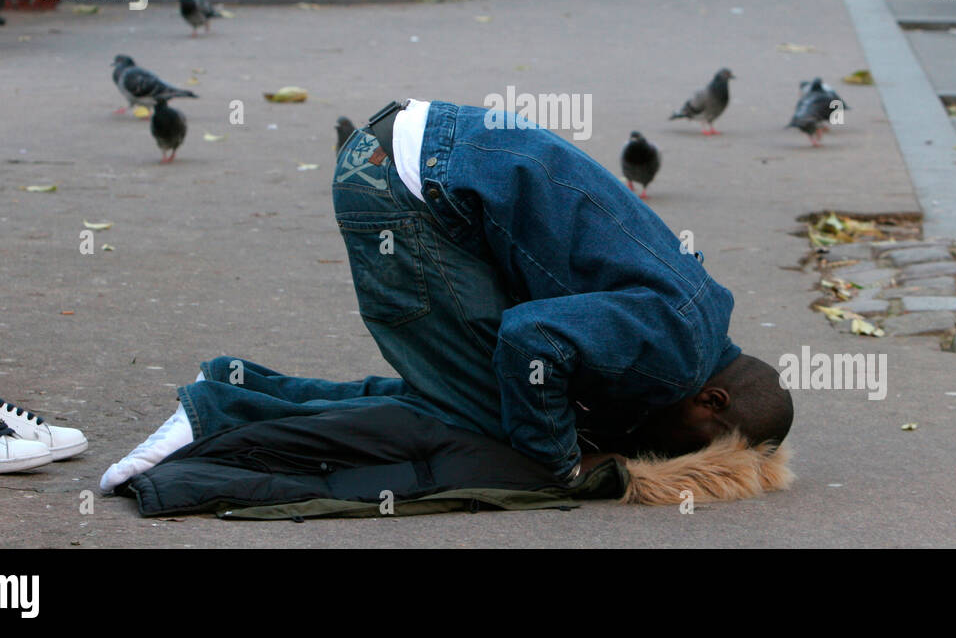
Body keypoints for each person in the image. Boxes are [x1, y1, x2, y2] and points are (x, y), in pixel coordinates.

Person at [101, 99, 792, 494]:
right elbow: (531, 340)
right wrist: (560, 460)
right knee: (475, 417)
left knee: (474, 397)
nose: (672, 448)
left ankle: (233, 385)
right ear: (711, 401)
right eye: (693, 440)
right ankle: (215, 413)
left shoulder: (705, 309)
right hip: (401, 189)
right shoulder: (673, 354)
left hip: (423, 152)